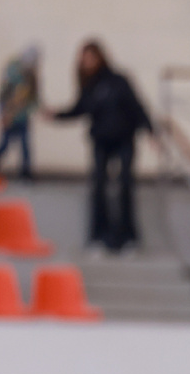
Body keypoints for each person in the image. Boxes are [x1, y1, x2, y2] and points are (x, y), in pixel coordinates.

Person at [46, 40, 153, 254]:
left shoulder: (118, 80)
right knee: (98, 187)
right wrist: (56, 115)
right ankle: (99, 237)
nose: (87, 63)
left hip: (124, 140)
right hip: (101, 142)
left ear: (100, 58)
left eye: (90, 58)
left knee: (124, 185)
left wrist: (150, 131)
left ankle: (127, 238)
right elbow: (79, 109)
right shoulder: (89, 86)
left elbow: (136, 106)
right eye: (84, 59)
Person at [0, 45, 41, 178]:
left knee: (25, 145)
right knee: (4, 144)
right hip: (10, 116)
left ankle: (26, 172)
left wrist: (36, 108)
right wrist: (2, 113)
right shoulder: (12, 72)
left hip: (23, 117)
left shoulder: (32, 77)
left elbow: (34, 98)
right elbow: (3, 95)